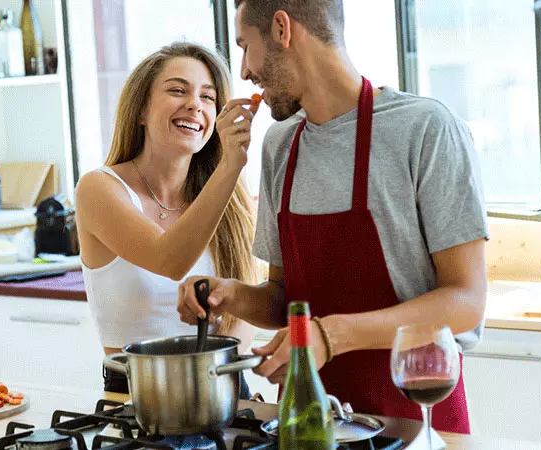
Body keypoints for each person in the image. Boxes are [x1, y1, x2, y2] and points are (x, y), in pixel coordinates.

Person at [177, 0, 489, 433]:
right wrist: (230, 295)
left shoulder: (425, 129)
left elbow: (467, 302)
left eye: (246, 46)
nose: (245, 71)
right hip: (309, 423)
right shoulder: (279, 145)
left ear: (282, 29)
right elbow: (284, 298)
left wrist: (331, 336)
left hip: (416, 419)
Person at [75, 42, 263, 399]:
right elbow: (170, 260)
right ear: (141, 110)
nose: (195, 104)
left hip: (223, 391)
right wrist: (231, 164)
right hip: (136, 400)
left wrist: (233, 400)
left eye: (208, 98)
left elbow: (243, 316)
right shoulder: (99, 189)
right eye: (178, 90)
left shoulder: (233, 201)